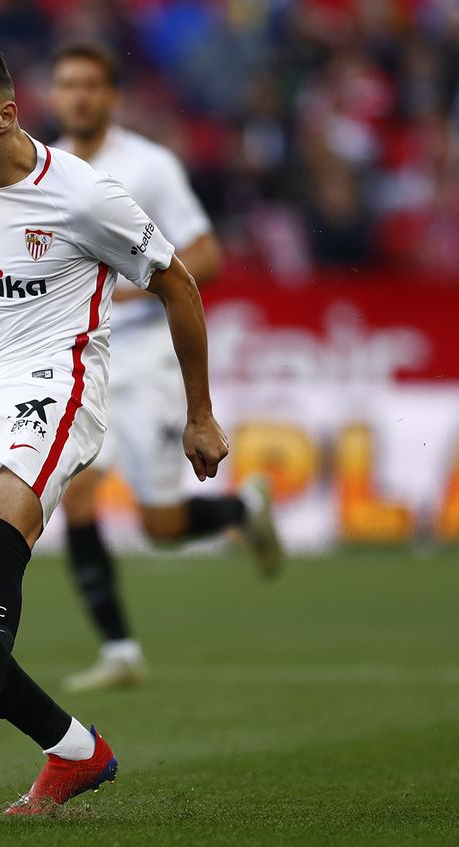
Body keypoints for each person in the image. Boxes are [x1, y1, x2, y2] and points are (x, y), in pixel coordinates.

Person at [0, 37, 229, 814]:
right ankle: (76, 749)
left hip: (58, 384)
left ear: (5, 117)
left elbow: (180, 285)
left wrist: (200, 414)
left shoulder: (81, 196)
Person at [46, 42, 281, 692]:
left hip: (149, 360)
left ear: (112, 95)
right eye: (68, 84)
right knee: (81, 492)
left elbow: (206, 256)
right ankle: (120, 650)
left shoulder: (149, 166)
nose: (79, 96)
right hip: (87, 359)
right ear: (53, 95)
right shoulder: (45, 167)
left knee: (161, 526)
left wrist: (134, 282)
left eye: (91, 84)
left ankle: (239, 511)